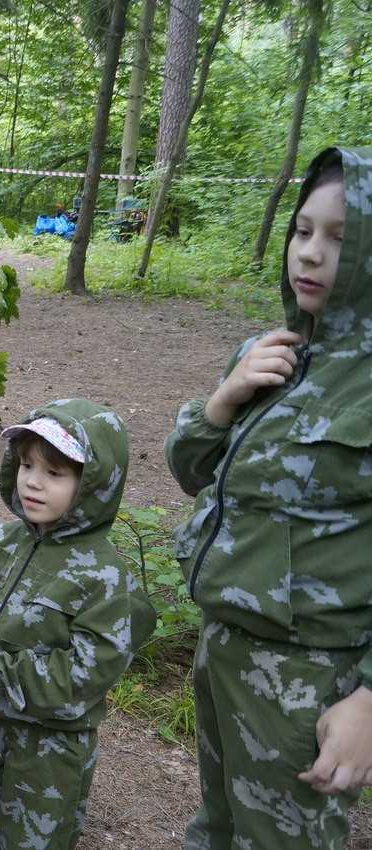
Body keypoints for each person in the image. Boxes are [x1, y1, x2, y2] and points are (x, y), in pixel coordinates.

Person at [165, 146, 372, 850]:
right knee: (217, 828)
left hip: (307, 675)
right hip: (224, 648)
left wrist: (369, 701)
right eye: (303, 230)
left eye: (341, 237)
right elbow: (193, 471)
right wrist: (225, 397)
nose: (309, 254)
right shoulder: (275, 353)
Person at [0, 399, 155, 850]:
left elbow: (90, 673)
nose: (33, 482)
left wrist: (1, 676)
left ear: (92, 485)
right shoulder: (2, 541)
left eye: (55, 473)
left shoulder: (106, 578)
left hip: (50, 748)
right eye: (26, 464)